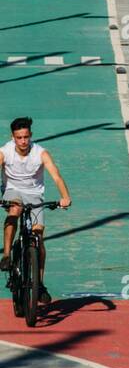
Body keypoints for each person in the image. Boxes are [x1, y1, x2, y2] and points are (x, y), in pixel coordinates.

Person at [0, 117, 71, 302]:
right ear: (12, 137)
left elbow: (56, 176)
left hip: (34, 194)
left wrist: (65, 197)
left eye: (25, 137)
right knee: (14, 210)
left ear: (30, 135)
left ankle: (39, 284)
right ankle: (7, 255)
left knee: (38, 236)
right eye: (18, 137)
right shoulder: (5, 152)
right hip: (12, 190)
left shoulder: (41, 153)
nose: (23, 141)